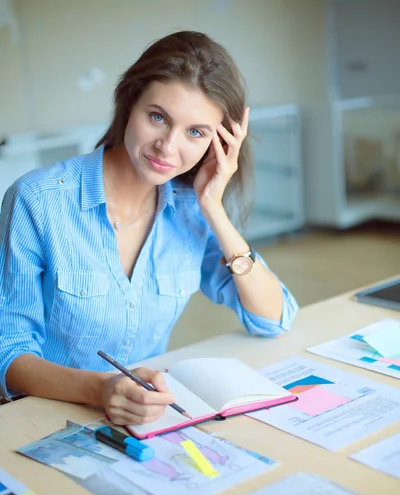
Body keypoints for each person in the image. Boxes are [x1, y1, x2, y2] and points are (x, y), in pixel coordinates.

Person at [0, 31, 298, 424]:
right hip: (42, 418)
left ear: (218, 142)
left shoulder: (192, 209)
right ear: (129, 103)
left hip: (141, 421)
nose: (168, 147)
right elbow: (9, 353)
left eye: (196, 132)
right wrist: (101, 388)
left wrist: (213, 208)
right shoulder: (37, 200)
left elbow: (272, 318)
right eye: (158, 117)